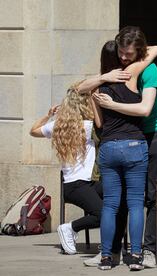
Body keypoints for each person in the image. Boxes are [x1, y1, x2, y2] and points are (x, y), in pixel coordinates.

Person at [80, 26, 157, 268]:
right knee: (134, 202)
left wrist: (108, 101)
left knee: (143, 198)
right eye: (120, 52)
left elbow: (144, 110)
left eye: (129, 53)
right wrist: (105, 80)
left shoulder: (146, 70)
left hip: (150, 134)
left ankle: (132, 251)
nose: (124, 58)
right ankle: (128, 252)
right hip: (135, 141)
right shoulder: (126, 75)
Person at [29, 83, 102, 255]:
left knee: (115, 201)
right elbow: (102, 123)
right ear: (86, 103)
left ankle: (108, 243)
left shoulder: (58, 126)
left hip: (77, 185)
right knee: (103, 215)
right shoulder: (88, 126)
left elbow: (33, 131)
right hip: (81, 185)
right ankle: (69, 228)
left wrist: (48, 116)